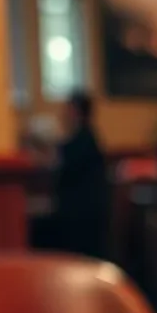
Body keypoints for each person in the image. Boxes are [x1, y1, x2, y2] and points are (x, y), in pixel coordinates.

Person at [54, 90, 110, 257]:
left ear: (76, 111)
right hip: (85, 214)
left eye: (68, 108)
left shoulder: (84, 141)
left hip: (83, 217)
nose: (64, 114)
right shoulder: (86, 138)